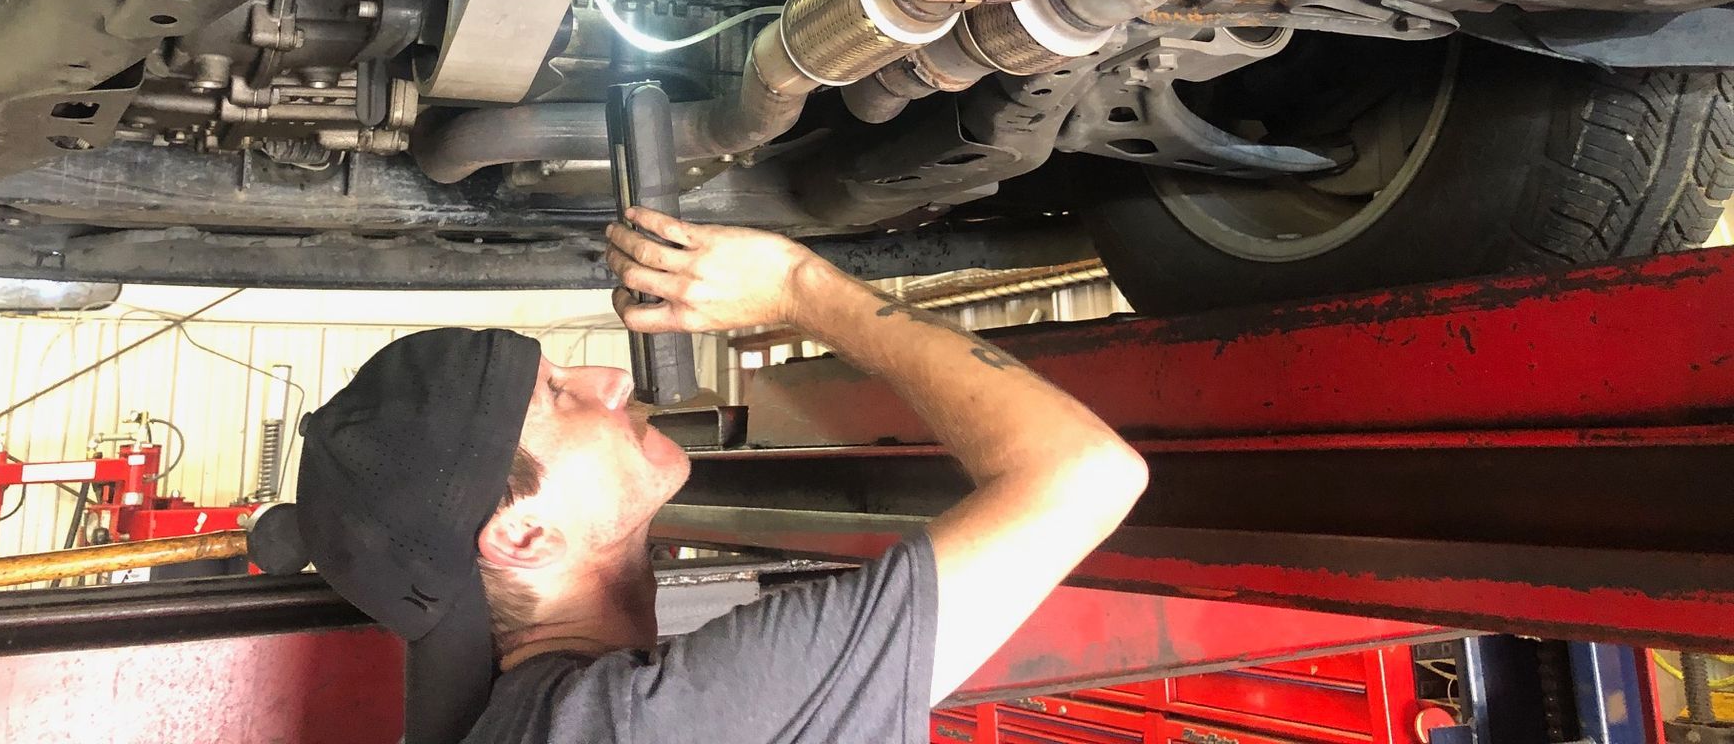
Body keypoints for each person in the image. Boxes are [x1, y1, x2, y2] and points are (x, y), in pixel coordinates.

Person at [295, 207, 1148, 743]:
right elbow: (1086, 474)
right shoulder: (641, 724)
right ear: (523, 535)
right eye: (558, 395)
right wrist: (798, 284)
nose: (613, 381)